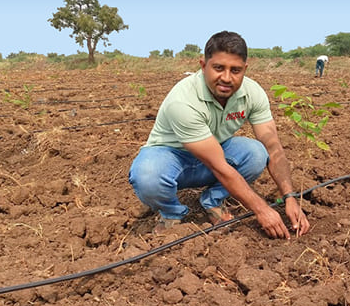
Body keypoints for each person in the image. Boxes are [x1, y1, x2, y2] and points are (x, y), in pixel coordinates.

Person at [129, 31, 309, 239]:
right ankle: (171, 213)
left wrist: (290, 196)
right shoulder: (183, 101)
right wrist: (261, 209)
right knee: (147, 175)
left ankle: (213, 200)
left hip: (215, 152)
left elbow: (273, 148)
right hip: (172, 158)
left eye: (235, 70)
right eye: (218, 68)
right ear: (203, 66)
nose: (226, 78)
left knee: (258, 153)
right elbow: (219, 167)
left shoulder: (252, 93)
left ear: (245, 69)